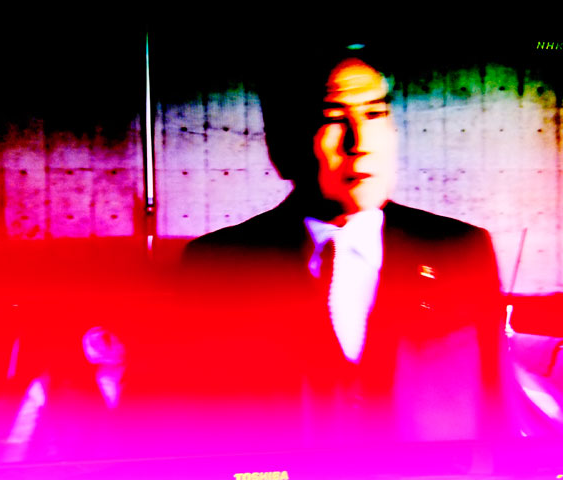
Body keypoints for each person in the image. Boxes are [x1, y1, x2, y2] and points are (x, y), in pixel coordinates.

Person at [182, 43, 508, 445]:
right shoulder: (216, 266)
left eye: (375, 114)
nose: (360, 142)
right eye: (334, 119)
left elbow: (496, 414)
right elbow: (187, 433)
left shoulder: (461, 250)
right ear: (280, 144)